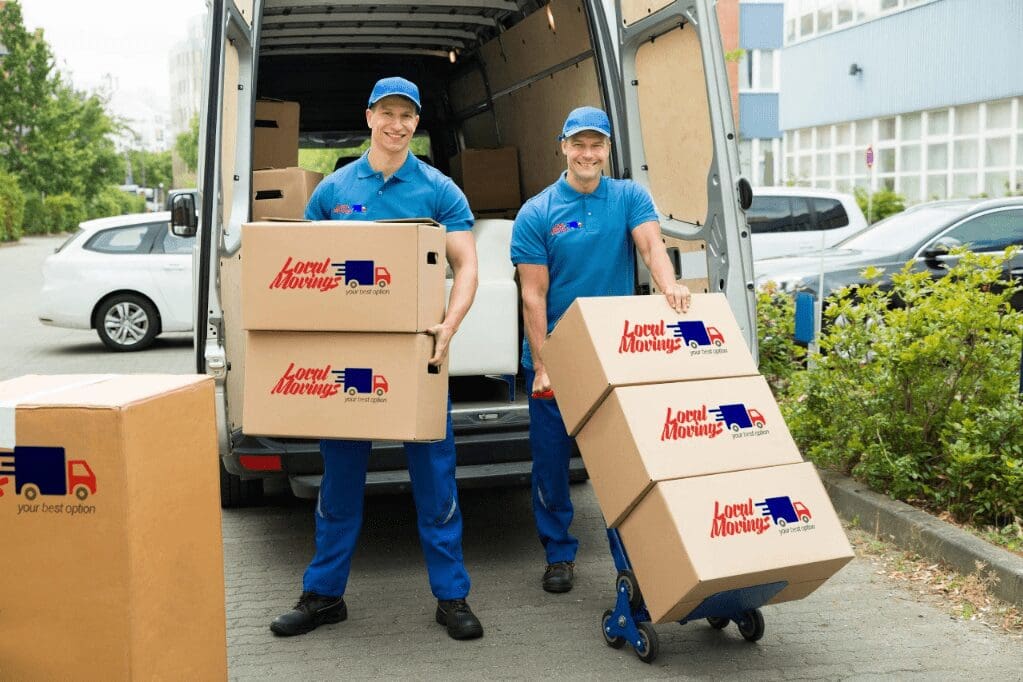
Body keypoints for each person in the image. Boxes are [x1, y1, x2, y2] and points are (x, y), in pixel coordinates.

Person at [270, 77, 483, 640]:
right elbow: (306, 275)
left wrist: (451, 323)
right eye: (387, 113)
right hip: (351, 359)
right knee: (339, 484)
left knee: (436, 485)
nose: (397, 124)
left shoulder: (440, 191)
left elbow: (467, 265)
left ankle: (452, 597)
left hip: (417, 358)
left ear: (416, 123)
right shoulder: (332, 192)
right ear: (369, 117)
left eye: (407, 116)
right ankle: (322, 596)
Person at [510, 106, 691, 594]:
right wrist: (544, 365)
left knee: (620, 466)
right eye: (578, 144)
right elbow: (534, 296)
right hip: (558, 358)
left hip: (616, 354)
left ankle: (628, 563)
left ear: (608, 150)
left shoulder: (628, 196)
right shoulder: (537, 212)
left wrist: (670, 285)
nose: (587, 154)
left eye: (596, 145)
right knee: (551, 466)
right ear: (563, 147)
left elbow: (652, 247)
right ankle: (558, 554)